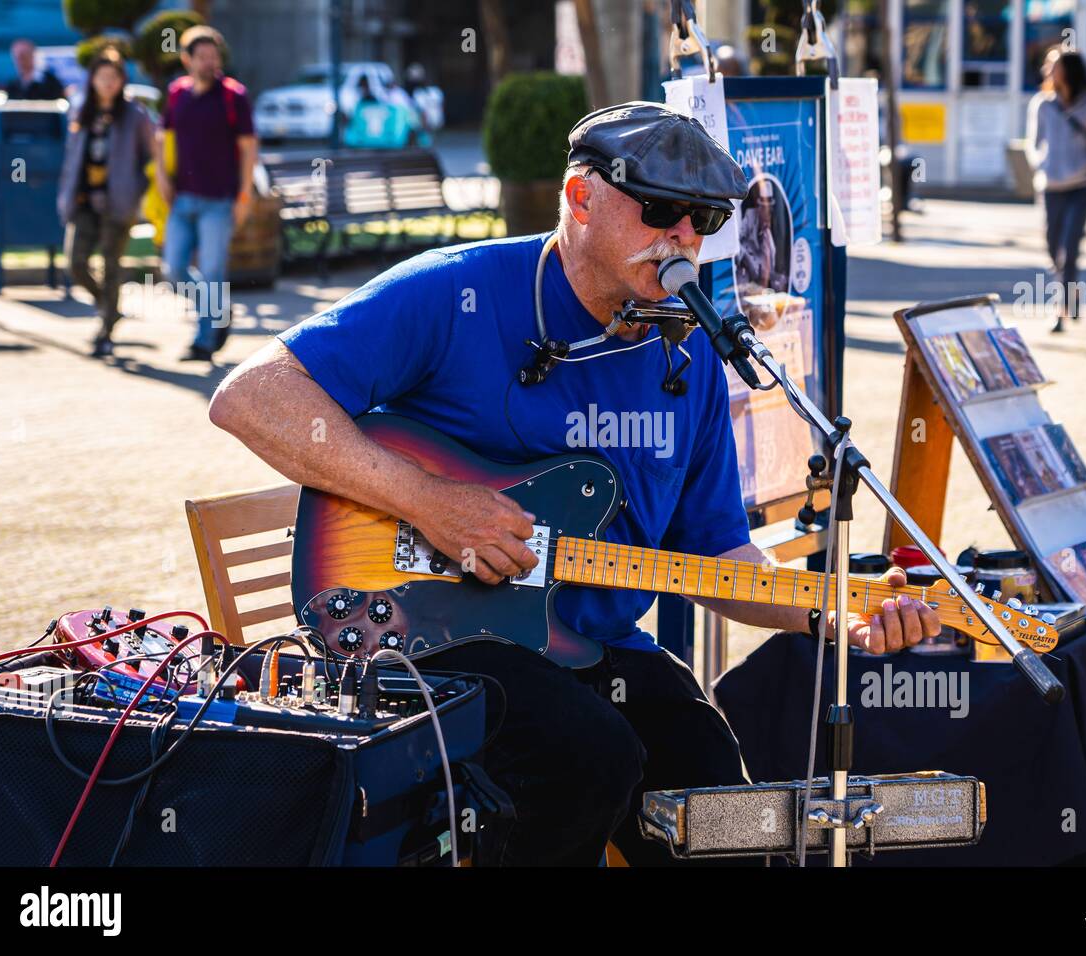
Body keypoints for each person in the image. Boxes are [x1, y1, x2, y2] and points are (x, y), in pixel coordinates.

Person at [208, 102, 940, 866]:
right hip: (433, 637)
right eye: (662, 211)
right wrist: (429, 501)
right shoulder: (458, 293)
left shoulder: (688, 363)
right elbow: (253, 397)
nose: (684, 238)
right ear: (580, 197)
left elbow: (719, 554)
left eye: (705, 219)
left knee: (723, 801)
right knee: (589, 759)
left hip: (599, 650)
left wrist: (830, 616)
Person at [155, 25, 257, 363]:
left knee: (213, 270)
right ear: (187, 59)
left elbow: (248, 147)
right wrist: (161, 176)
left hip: (219, 200)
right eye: (201, 57)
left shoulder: (233, 96)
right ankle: (219, 311)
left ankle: (204, 341)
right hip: (182, 198)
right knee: (173, 270)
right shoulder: (176, 94)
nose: (209, 62)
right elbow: (161, 136)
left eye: (213, 56)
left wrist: (244, 195)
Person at [57, 51, 154, 357]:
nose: (107, 84)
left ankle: (105, 332)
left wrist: (137, 188)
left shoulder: (135, 116)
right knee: (76, 263)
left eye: (113, 77)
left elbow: (152, 157)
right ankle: (108, 307)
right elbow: (72, 156)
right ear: (93, 80)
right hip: (84, 199)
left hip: (118, 202)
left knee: (111, 265)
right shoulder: (80, 111)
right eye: (102, 78)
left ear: (122, 80)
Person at [1024, 49, 1086, 333]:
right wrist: (1041, 165)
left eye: (1054, 67)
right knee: (1052, 245)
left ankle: (1060, 312)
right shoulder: (1042, 104)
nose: (1048, 71)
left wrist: (1084, 167)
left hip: (1082, 186)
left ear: (1069, 71)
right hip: (1050, 185)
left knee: (1069, 248)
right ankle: (1070, 292)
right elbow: (1033, 143)